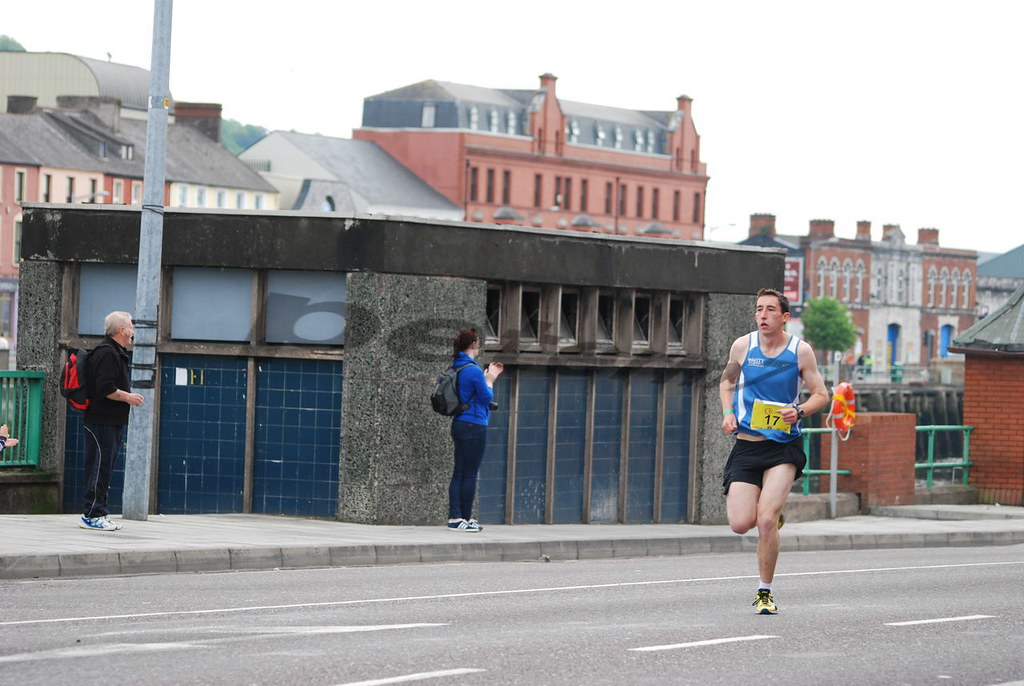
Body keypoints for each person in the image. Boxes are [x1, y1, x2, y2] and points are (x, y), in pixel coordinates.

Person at [719, 288, 829, 614]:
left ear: (784, 317)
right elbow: (726, 382)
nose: (763, 315)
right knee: (741, 524)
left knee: (765, 522)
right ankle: (773, 515)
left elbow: (822, 394)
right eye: (758, 309)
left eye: (770, 309)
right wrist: (727, 412)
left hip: (783, 446)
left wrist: (801, 411)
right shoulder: (742, 346)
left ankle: (764, 591)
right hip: (747, 445)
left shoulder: (800, 351)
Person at [80, 311, 144, 531]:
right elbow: (105, 388)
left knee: (104, 467)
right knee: (99, 467)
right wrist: (129, 397)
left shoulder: (114, 351)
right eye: (131, 327)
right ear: (121, 330)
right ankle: (92, 514)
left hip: (110, 421)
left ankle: (99, 512)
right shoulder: (107, 353)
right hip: (101, 421)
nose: (133, 331)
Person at [447, 328, 503, 532]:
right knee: (469, 474)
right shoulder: (472, 369)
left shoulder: (458, 366)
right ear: (473, 345)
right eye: (478, 344)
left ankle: (456, 517)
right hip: (475, 424)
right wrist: (490, 379)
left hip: (460, 422)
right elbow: (486, 399)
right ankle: (463, 518)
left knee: (459, 472)